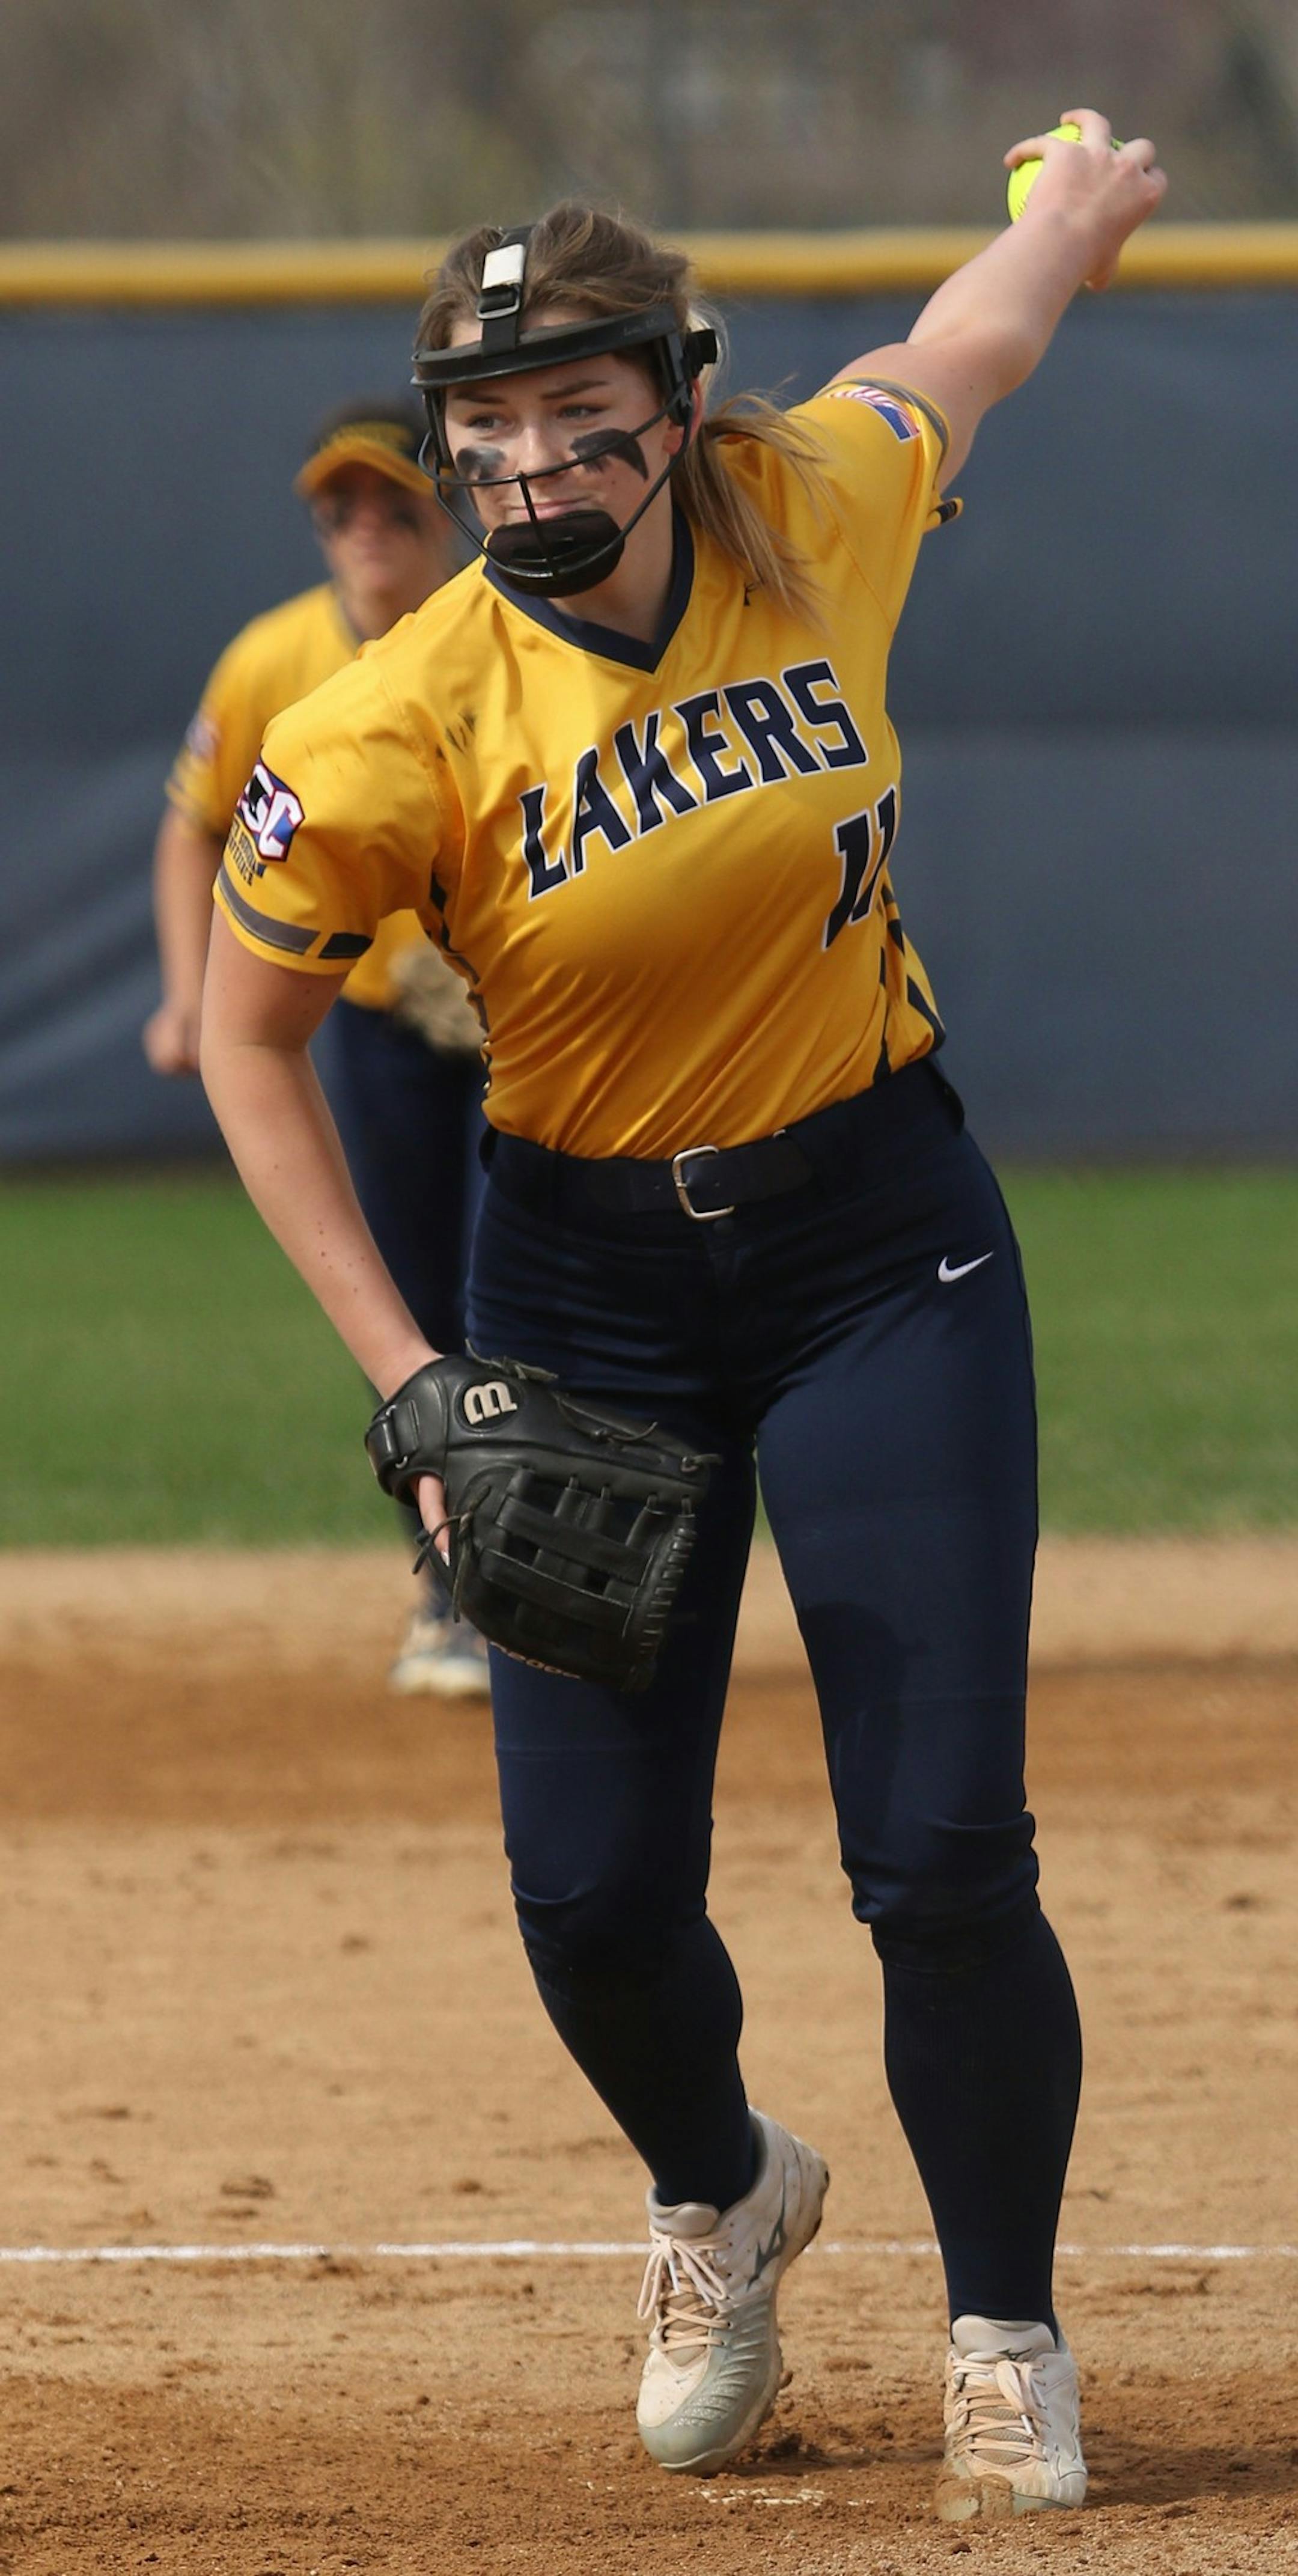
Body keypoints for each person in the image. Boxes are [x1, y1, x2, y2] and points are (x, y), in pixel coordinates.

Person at [199, 119, 1166, 2517]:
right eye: (484, 422)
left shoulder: (808, 501)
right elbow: (245, 1037)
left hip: (879, 1249)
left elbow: (969, 348)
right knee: (589, 1894)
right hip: (584, 1293)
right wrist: (414, 1376)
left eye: (575, 406)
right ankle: (724, 2190)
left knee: (943, 1852)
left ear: (677, 395)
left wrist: (1065, 211)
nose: (529, 459)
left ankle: (1002, 2332)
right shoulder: (392, 721)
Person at [144, 396, 489, 1695]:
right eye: (337, 507)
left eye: (390, 500)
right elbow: (193, 824)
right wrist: (194, 996)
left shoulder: (503, 638)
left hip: (526, 1026)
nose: (362, 527)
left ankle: (570, 1562)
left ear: (444, 507)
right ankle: (452, 1586)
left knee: (540, 1289)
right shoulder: (273, 659)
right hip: (373, 1024)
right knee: (404, 1298)